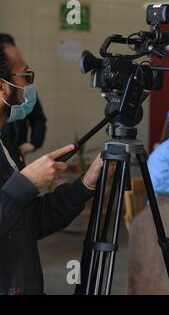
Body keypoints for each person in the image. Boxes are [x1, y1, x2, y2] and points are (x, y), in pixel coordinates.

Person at [0, 34, 105, 294]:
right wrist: (24, 185)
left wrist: (85, 184)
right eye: (25, 75)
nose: (29, 84)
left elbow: (30, 222)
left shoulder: (6, 145)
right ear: (2, 88)